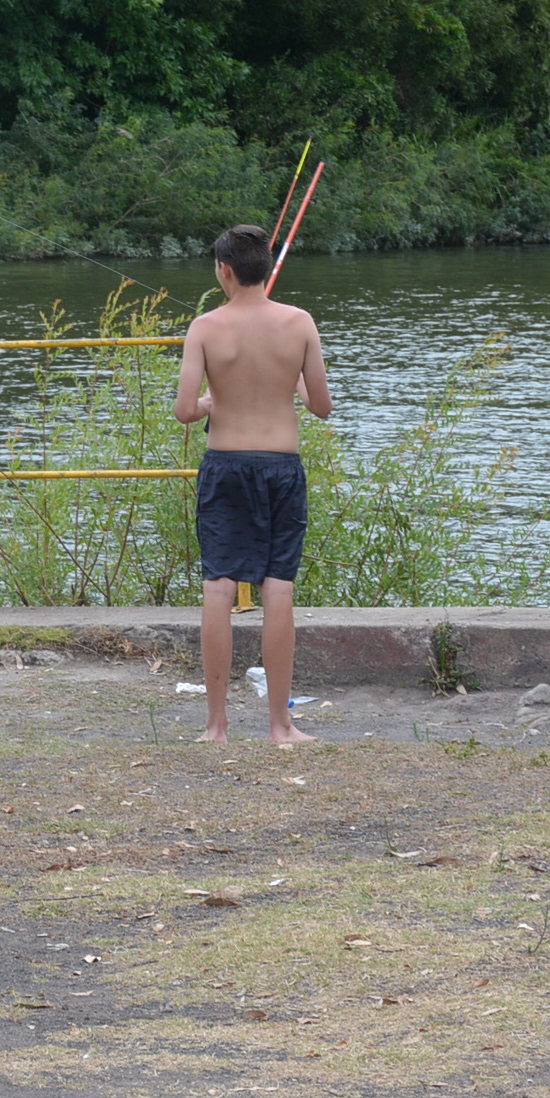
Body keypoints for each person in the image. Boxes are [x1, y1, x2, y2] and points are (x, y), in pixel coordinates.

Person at [173, 224, 333, 745]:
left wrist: (210, 404)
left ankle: (216, 726)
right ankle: (280, 726)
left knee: (219, 587)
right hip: (281, 466)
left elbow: (184, 411)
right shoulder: (301, 322)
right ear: (265, 267)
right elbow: (321, 406)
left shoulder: (204, 327)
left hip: (225, 465)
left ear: (224, 270)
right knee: (277, 588)